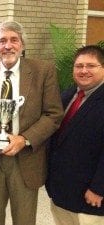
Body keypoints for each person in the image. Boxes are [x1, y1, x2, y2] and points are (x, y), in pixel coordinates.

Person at [0, 20, 64, 225]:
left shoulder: (43, 71)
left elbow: (53, 114)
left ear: (22, 44)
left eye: (14, 40)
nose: (8, 45)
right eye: (2, 41)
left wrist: (24, 139)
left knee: (24, 220)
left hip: (27, 160)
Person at [46, 45, 104, 225]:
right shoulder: (67, 95)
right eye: (79, 66)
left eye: (91, 66)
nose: (84, 70)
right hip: (61, 193)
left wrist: (98, 188)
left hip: (90, 197)